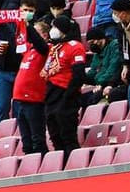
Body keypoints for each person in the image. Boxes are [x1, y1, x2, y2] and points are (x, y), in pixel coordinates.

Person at [42, 16, 88, 154]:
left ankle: (73, 164)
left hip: (66, 93)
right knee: (54, 133)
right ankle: (61, 164)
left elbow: (79, 75)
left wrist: (68, 96)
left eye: (55, 27)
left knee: (67, 134)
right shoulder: (55, 48)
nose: (53, 30)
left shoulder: (75, 46)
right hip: (52, 93)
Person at [10, 16, 50, 154]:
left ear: (45, 35)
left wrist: (28, 26)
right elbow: (17, 39)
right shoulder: (29, 50)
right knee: (26, 142)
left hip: (34, 100)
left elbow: (41, 44)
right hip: (20, 100)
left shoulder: (46, 49)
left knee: (37, 139)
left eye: (35, 31)